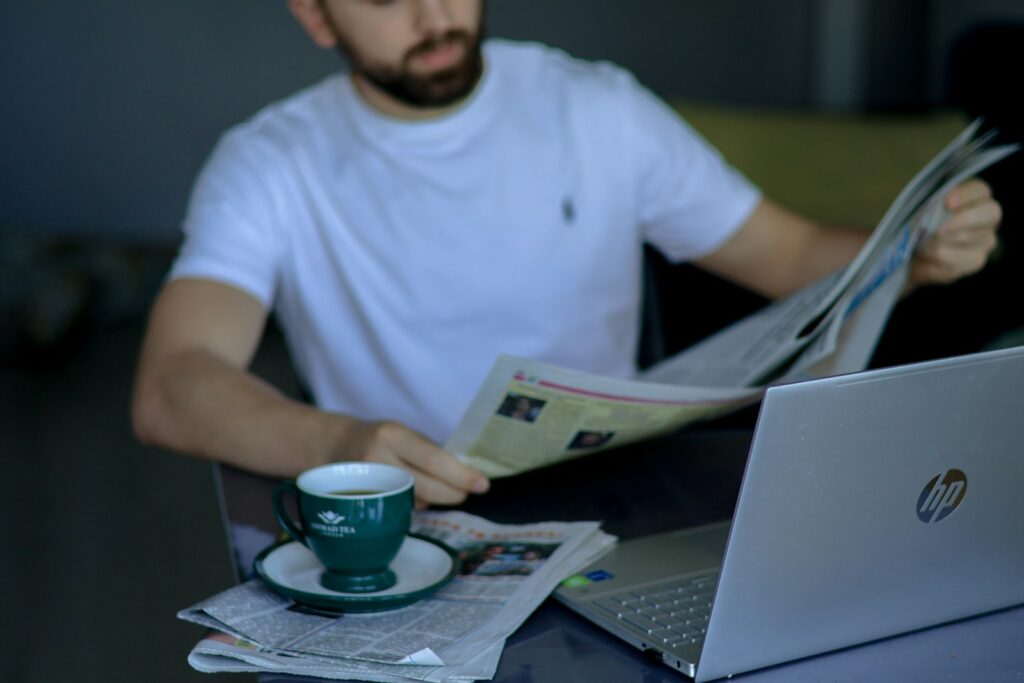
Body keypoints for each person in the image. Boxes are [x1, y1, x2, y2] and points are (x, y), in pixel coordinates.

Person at [131, 0, 1004, 509]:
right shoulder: (269, 161)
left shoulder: (594, 106)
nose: (435, 18)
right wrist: (343, 441)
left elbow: (792, 253)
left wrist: (912, 256)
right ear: (316, 15)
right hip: (410, 512)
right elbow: (175, 381)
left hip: (613, 497)